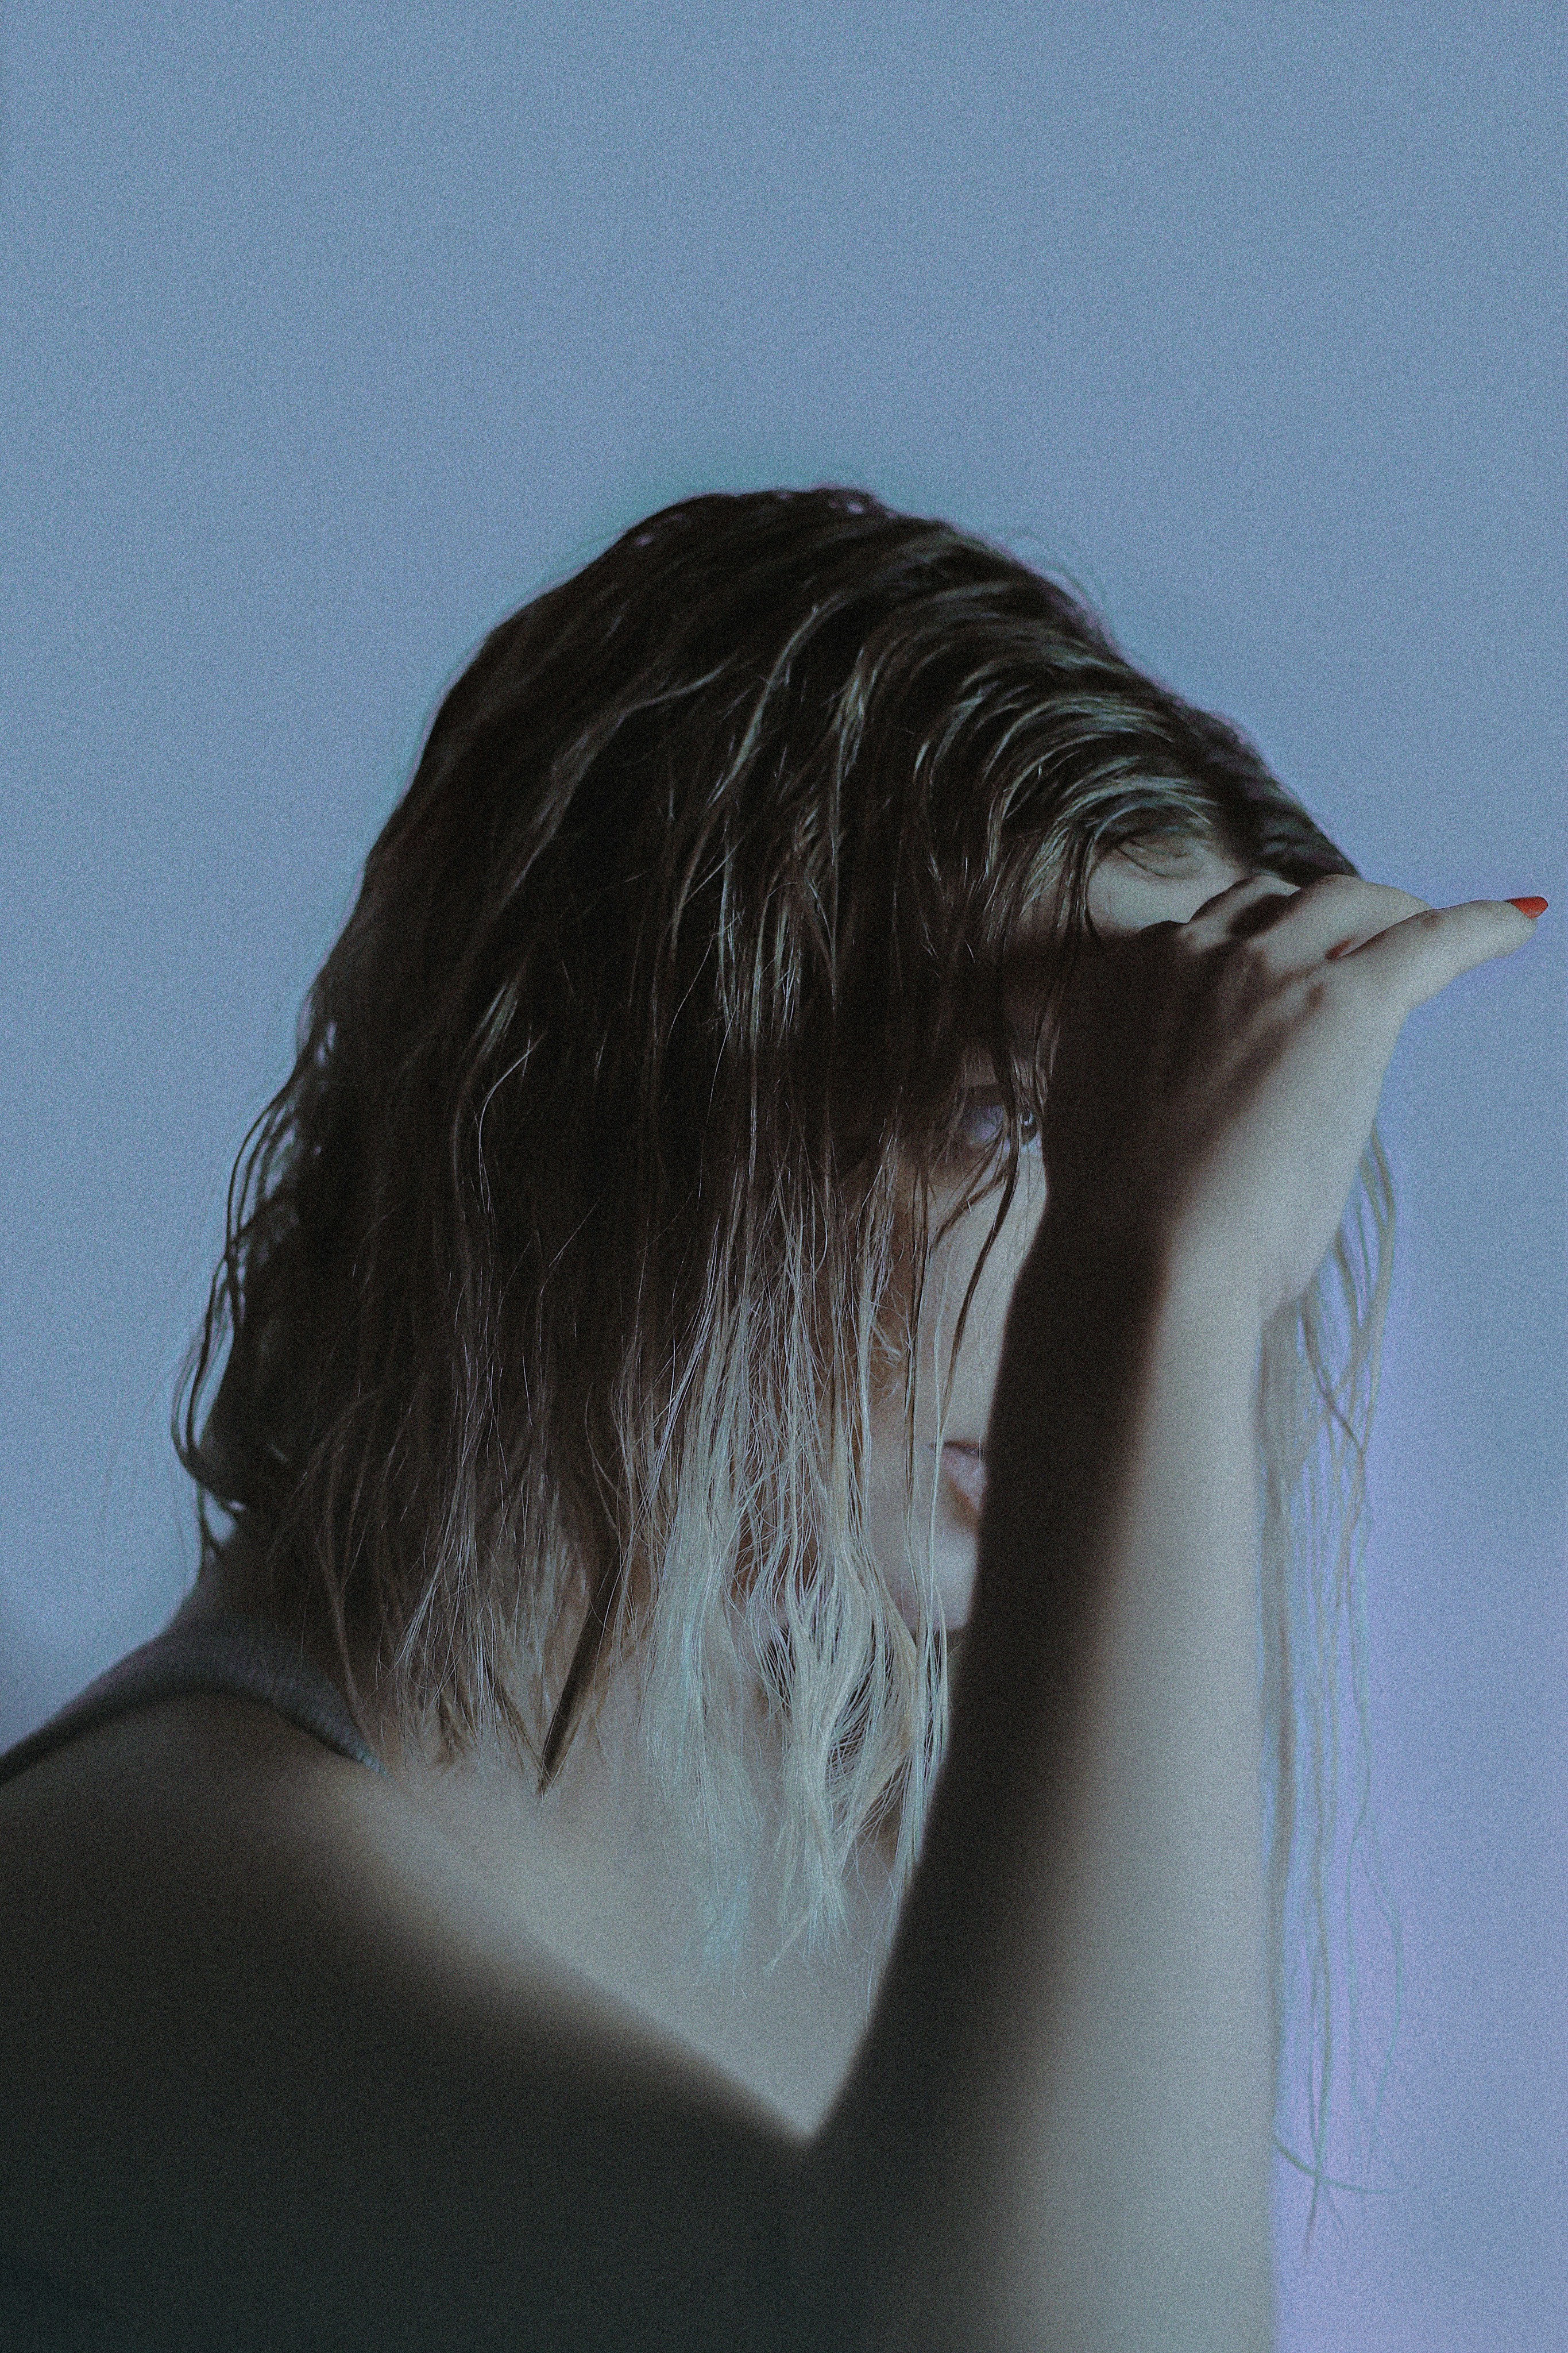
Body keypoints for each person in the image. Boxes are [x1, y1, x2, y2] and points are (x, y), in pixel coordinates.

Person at [0, 486, 1544, 2352]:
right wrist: (1164, 1278)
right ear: (607, 1106)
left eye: (1152, 1132)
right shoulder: (116, 1902)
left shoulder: (874, 1890)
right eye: (1006, 1122)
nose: (1095, 1249)